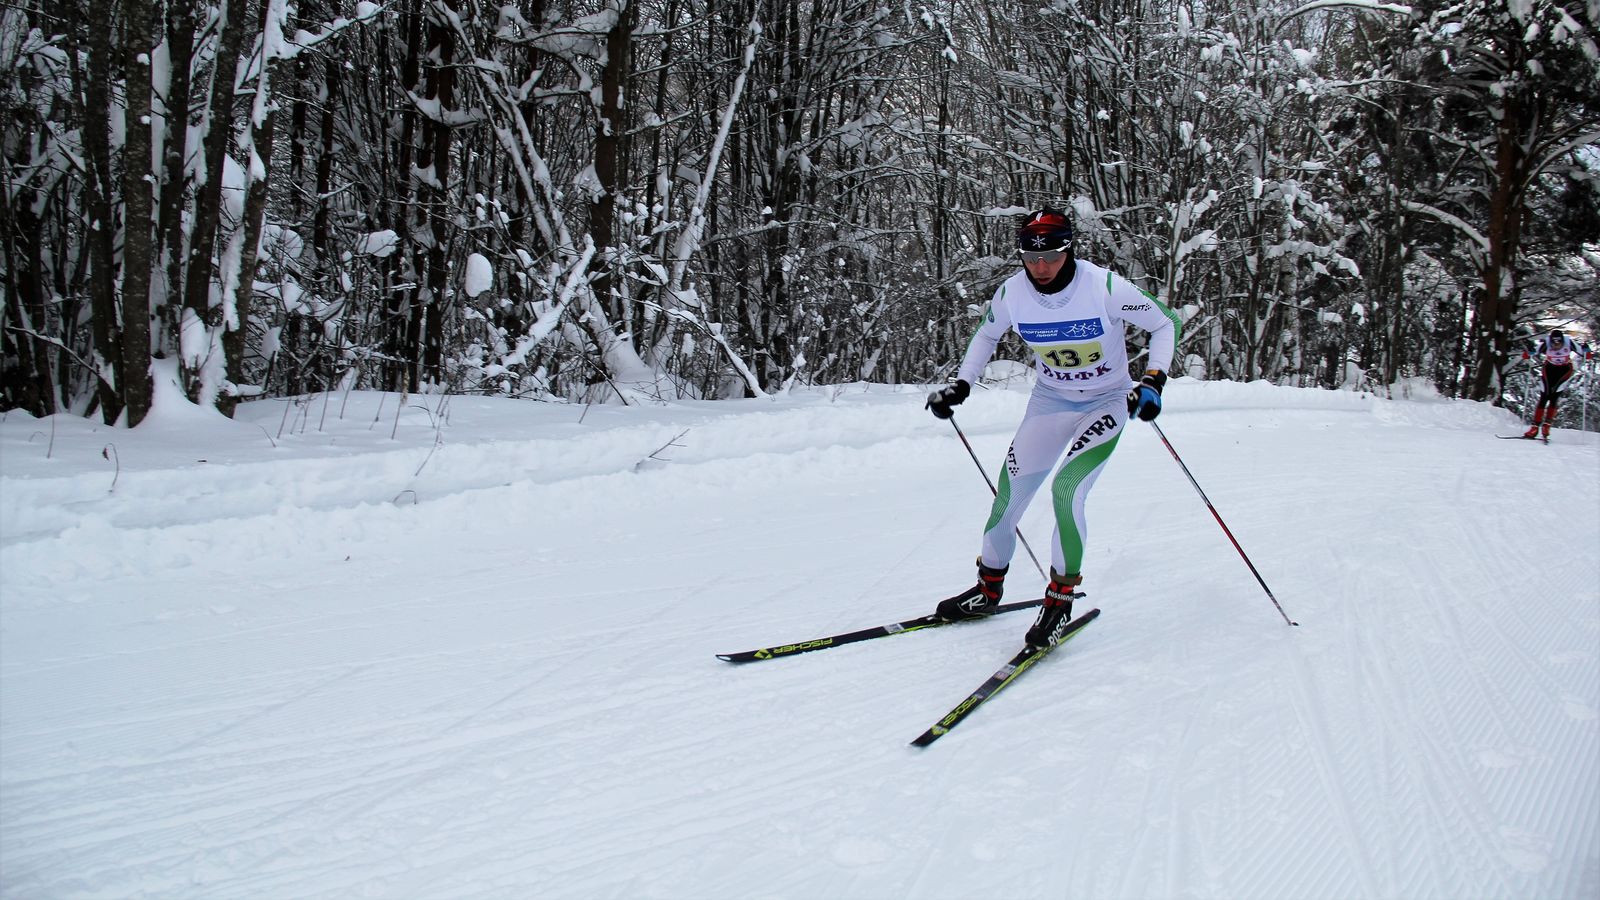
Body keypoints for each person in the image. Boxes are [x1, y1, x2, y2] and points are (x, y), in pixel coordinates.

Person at [925, 206, 1180, 648]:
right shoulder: (1012, 293)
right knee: (1009, 495)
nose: (1040, 268)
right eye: (1030, 258)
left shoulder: (1103, 286)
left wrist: (1153, 380)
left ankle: (1059, 602)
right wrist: (961, 384)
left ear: (1070, 251)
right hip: (1050, 402)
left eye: (1051, 258)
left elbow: (1164, 322)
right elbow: (986, 335)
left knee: (1067, 490)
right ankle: (988, 591)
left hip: (1106, 401)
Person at [1521, 327, 1591, 440]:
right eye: (1554, 344)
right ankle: (1534, 427)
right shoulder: (1546, 342)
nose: (1556, 346)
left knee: (1554, 397)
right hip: (1549, 369)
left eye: (1559, 343)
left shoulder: (1569, 342)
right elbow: (1528, 355)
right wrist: (1528, 351)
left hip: (1564, 370)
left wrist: (1586, 350)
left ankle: (1547, 425)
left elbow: (1586, 356)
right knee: (1544, 396)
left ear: (1563, 341)